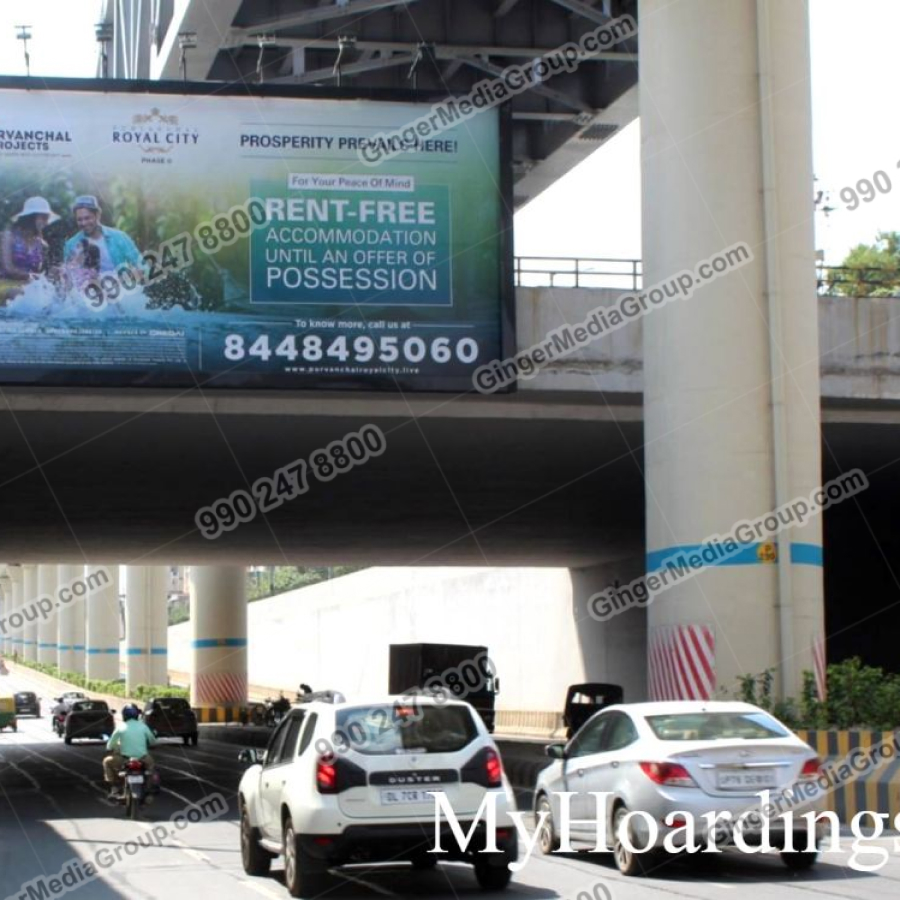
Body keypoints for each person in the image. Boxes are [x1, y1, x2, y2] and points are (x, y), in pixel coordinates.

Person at [63, 195, 143, 282]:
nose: (84, 223)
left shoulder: (119, 237)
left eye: (87, 218)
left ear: (98, 215)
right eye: (79, 220)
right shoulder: (71, 244)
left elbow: (142, 266)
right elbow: (67, 277)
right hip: (89, 288)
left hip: (120, 286)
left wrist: (132, 275)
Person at [0, 196, 59, 302]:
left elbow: (39, 273)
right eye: (43, 218)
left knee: (54, 295)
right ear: (30, 217)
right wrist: (32, 276)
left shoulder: (42, 245)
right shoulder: (8, 237)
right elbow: (8, 268)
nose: (46, 222)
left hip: (28, 286)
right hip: (5, 284)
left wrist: (52, 273)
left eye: (47, 218)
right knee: (20, 294)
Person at [103, 703, 157, 798]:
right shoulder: (143, 726)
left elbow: (109, 746)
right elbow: (153, 741)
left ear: (124, 715)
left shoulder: (120, 727)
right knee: (151, 767)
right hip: (143, 758)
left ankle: (114, 788)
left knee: (106, 762)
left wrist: (113, 748)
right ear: (137, 715)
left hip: (124, 759)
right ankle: (149, 789)